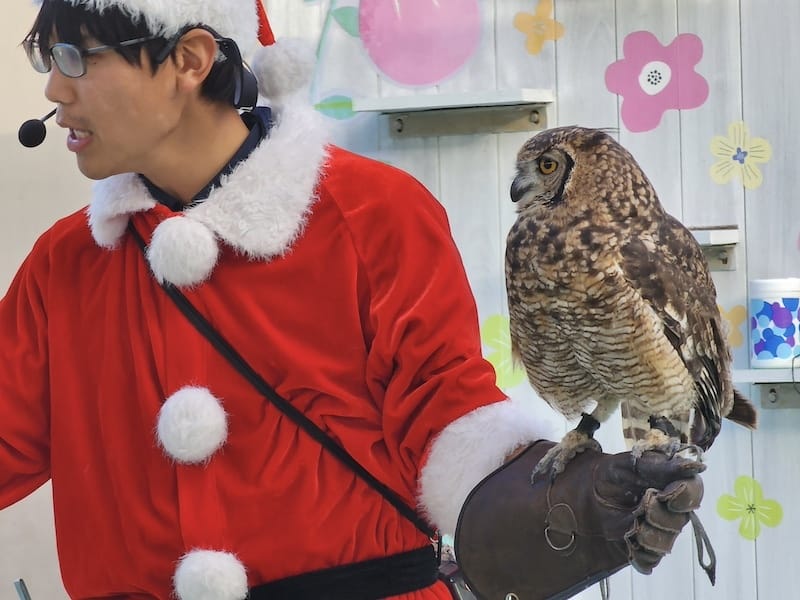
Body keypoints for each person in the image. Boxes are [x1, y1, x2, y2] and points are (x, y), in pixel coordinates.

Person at [3, 1, 705, 598]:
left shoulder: (374, 214)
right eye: (50, 61)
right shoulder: (64, 264)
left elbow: (448, 421)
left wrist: (571, 503)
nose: (55, 92)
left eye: (75, 56)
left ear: (189, 60)